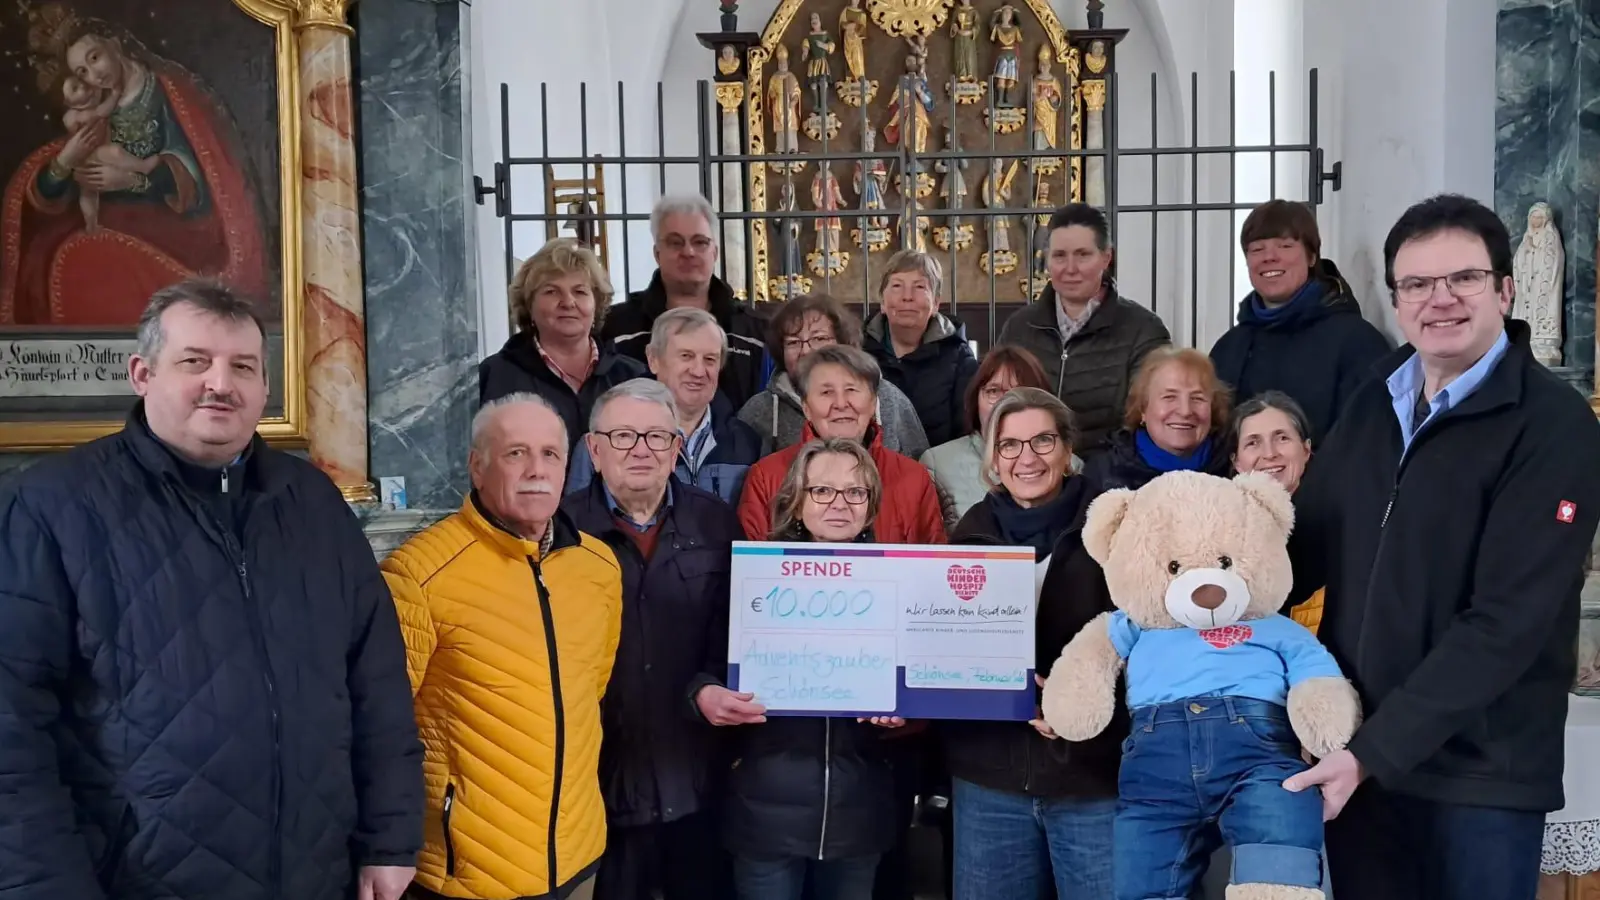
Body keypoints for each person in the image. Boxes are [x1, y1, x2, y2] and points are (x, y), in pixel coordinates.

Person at [0, 279, 423, 900]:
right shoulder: (51, 506)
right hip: (136, 880)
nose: (220, 383)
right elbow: (11, 724)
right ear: (143, 373)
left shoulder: (311, 502)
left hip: (314, 871)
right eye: (194, 361)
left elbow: (376, 680)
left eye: (243, 366)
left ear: (265, 388)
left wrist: (389, 839)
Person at [1282, 194, 1600, 900]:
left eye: (1463, 279)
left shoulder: (1553, 427)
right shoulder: (1374, 400)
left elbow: (1505, 623)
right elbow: (1304, 546)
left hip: (1480, 774)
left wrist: (1371, 751)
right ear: (1396, 298)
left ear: (1506, 289)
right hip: (1361, 757)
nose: (1441, 300)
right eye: (1418, 284)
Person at [383, 393, 623, 900]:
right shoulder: (420, 573)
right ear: (477, 466)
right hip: (468, 872)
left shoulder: (599, 568)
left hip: (578, 857)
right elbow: (378, 727)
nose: (536, 469)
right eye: (515, 453)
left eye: (550, 454)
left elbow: (589, 692)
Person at [561, 379, 743, 900]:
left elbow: (735, 631)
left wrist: (711, 684)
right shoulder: (559, 528)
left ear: (677, 449)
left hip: (698, 774)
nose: (641, 449)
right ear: (594, 450)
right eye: (622, 436)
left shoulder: (715, 523)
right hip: (597, 780)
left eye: (657, 437)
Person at [944, 388, 1123, 900]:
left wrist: (1080, 701)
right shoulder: (967, 541)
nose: (1027, 458)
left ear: (1068, 450)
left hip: (1091, 778)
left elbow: (1148, 641)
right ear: (993, 460)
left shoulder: (1114, 532)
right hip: (989, 782)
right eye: (1009, 445)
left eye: (1042, 440)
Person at [725, 438, 906, 900]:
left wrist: (907, 711)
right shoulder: (753, 577)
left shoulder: (903, 581)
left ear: (871, 505)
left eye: (855, 492)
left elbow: (924, 684)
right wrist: (705, 695)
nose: (839, 504)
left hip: (858, 813)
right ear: (795, 501)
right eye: (822, 491)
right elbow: (703, 671)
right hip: (766, 813)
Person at [1, 18, 271, 327]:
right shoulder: (95, 109)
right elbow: (58, 191)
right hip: (109, 222)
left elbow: (197, 184)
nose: (94, 73)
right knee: (63, 253)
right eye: (82, 72)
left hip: (176, 230)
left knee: (83, 255)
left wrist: (135, 180)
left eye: (94, 57)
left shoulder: (168, 95)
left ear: (114, 43)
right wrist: (64, 161)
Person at [1208, 199, 1392, 443]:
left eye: (1285, 246)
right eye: (1256, 249)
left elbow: (1367, 440)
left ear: (1312, 256)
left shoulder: (1357, 342)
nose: (1269, 257)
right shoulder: (1228, 348)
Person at [996, 203, 1171, 458]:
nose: (1070, 268)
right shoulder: (1019, 327)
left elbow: (1149, 420)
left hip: (1109, 480)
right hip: (1029, 471)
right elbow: (998, 405)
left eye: (1082, 255)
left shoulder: (1143, 331)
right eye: (1059, 256)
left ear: (1106, 258)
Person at [737, 344, 945, 544]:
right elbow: (752, 571)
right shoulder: (766, 476)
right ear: (806, 408)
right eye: (827, 392)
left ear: (873, 404)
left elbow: (931, 566)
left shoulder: (914, 478)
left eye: (852, 390)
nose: (841, 404)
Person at [566, 308, 763, 503]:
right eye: (686, 356)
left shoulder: (747, 443)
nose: (698, 371)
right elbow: (576, 523)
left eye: (710, 359)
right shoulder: (607, 438)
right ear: (653, 359)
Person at [478, 238, 647, 456]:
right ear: (529, 305)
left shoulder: (632, 377)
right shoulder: (495, 376)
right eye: (551, 292)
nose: (568, 302)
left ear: (596, 304)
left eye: (580, 292)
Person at [600, 194, 771, 408]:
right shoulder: (617, 329)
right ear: (657, 253)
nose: (688, 252)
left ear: (715, 252)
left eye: (700, 242)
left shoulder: (755, 332)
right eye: (675, 243)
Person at [737, 292, 928, 457]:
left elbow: (919, 471)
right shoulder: (759, 410)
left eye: (818, 338)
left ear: (843, 343)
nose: (805, 351)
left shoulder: (888, 398)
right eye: (793, 342)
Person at [920, 344, 1069, 529]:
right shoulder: (937, 462)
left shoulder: (1069, 463)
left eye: (1019, 390)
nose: (1005, 402)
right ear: (976, 399)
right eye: (993, 391)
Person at [861, 250, 981, 447]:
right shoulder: (859, 353)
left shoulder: (958, 357)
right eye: (897, 286)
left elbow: (968, 433)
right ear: (882, 302)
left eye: (919, 287)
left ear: (935, 303)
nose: (907, 297)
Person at [1080, 346, 1233, 494]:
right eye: (1169, 397)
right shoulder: (1101, 475)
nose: (1185, 411)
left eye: (1197, 398)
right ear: (1142, 409)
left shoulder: (1234, 468)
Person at [1230, 391, 1320, 633]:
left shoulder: (1338, 518)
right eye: (1253, 442)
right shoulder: (1223, 525)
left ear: (1306, 449)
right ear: (1236, 461)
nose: (1269, 454)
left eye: (1282, 438)